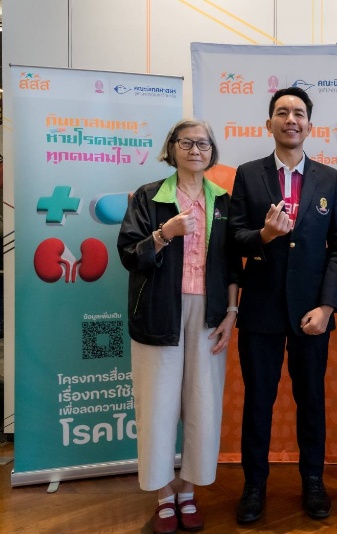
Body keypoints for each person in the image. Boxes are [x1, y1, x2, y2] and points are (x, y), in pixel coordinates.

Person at [229, 87, 337, 523]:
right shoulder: (248, 174)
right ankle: (254, 486)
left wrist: (328, 307)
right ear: (269, 123)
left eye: (299, 113)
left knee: (311, 401)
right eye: (282, 112)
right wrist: (264, 235)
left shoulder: (329, 178)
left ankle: (313, 481)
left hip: (310, 314)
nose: (291, 119)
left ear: (310, 126)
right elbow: (234, 238)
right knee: (258, 402)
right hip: (260, 310)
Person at [118, 118, 240, 534]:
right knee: (157, 407)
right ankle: (163, 494)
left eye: (203, 144)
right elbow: (129, 255)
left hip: (209, 314)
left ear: (212, 152)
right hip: (158, 313)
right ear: (171, 148)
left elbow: (233, 264)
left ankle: (188, 490)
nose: (194, 150)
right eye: (186, 143)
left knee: (203, 404)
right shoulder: (149, 197)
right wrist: (163, 234)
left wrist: (231, 313)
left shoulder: (223, 200)